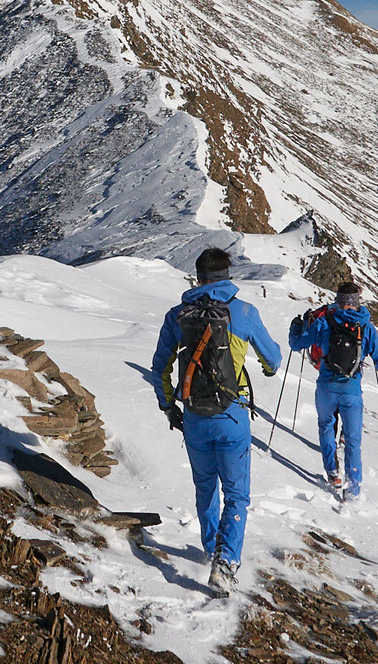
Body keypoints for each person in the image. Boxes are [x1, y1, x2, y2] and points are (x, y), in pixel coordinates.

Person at [151, 247, 283, 595]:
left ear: (197, 277)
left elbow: (159, 366)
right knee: (236, 495)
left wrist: (168, 405)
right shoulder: (243, 312)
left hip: (195, 416)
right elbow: (273, 359)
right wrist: (266, 368)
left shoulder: (178, 315)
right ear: (228, 276)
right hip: (232, 415)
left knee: (205, 487)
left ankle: (212, 549)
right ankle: (225, 561)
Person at [288, 282, 378, 500]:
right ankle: (353, 488)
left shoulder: (324, 322)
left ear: (338, 300)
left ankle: (333, 472)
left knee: (326, 425)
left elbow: (297, 344)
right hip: (351, 390)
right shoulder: (366, 328)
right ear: (357, 302)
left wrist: (296, 326)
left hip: (326, 387)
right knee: (353, 439)